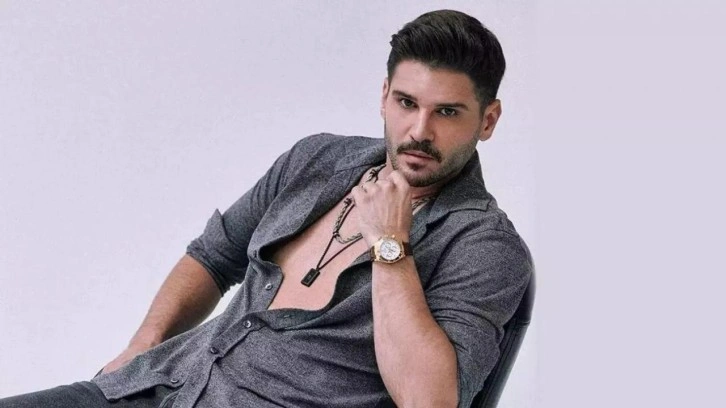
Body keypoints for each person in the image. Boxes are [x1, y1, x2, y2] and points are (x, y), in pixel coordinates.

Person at [0, 9, 532, 408]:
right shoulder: (317, 159)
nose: (419, 131)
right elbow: (213, 256)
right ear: (384, 95)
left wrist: (390, 247)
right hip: (159, 386)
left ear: (488, 120)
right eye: (406, 103)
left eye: (447, 112)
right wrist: (142, 346)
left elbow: (429, 401)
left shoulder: (486, 247)